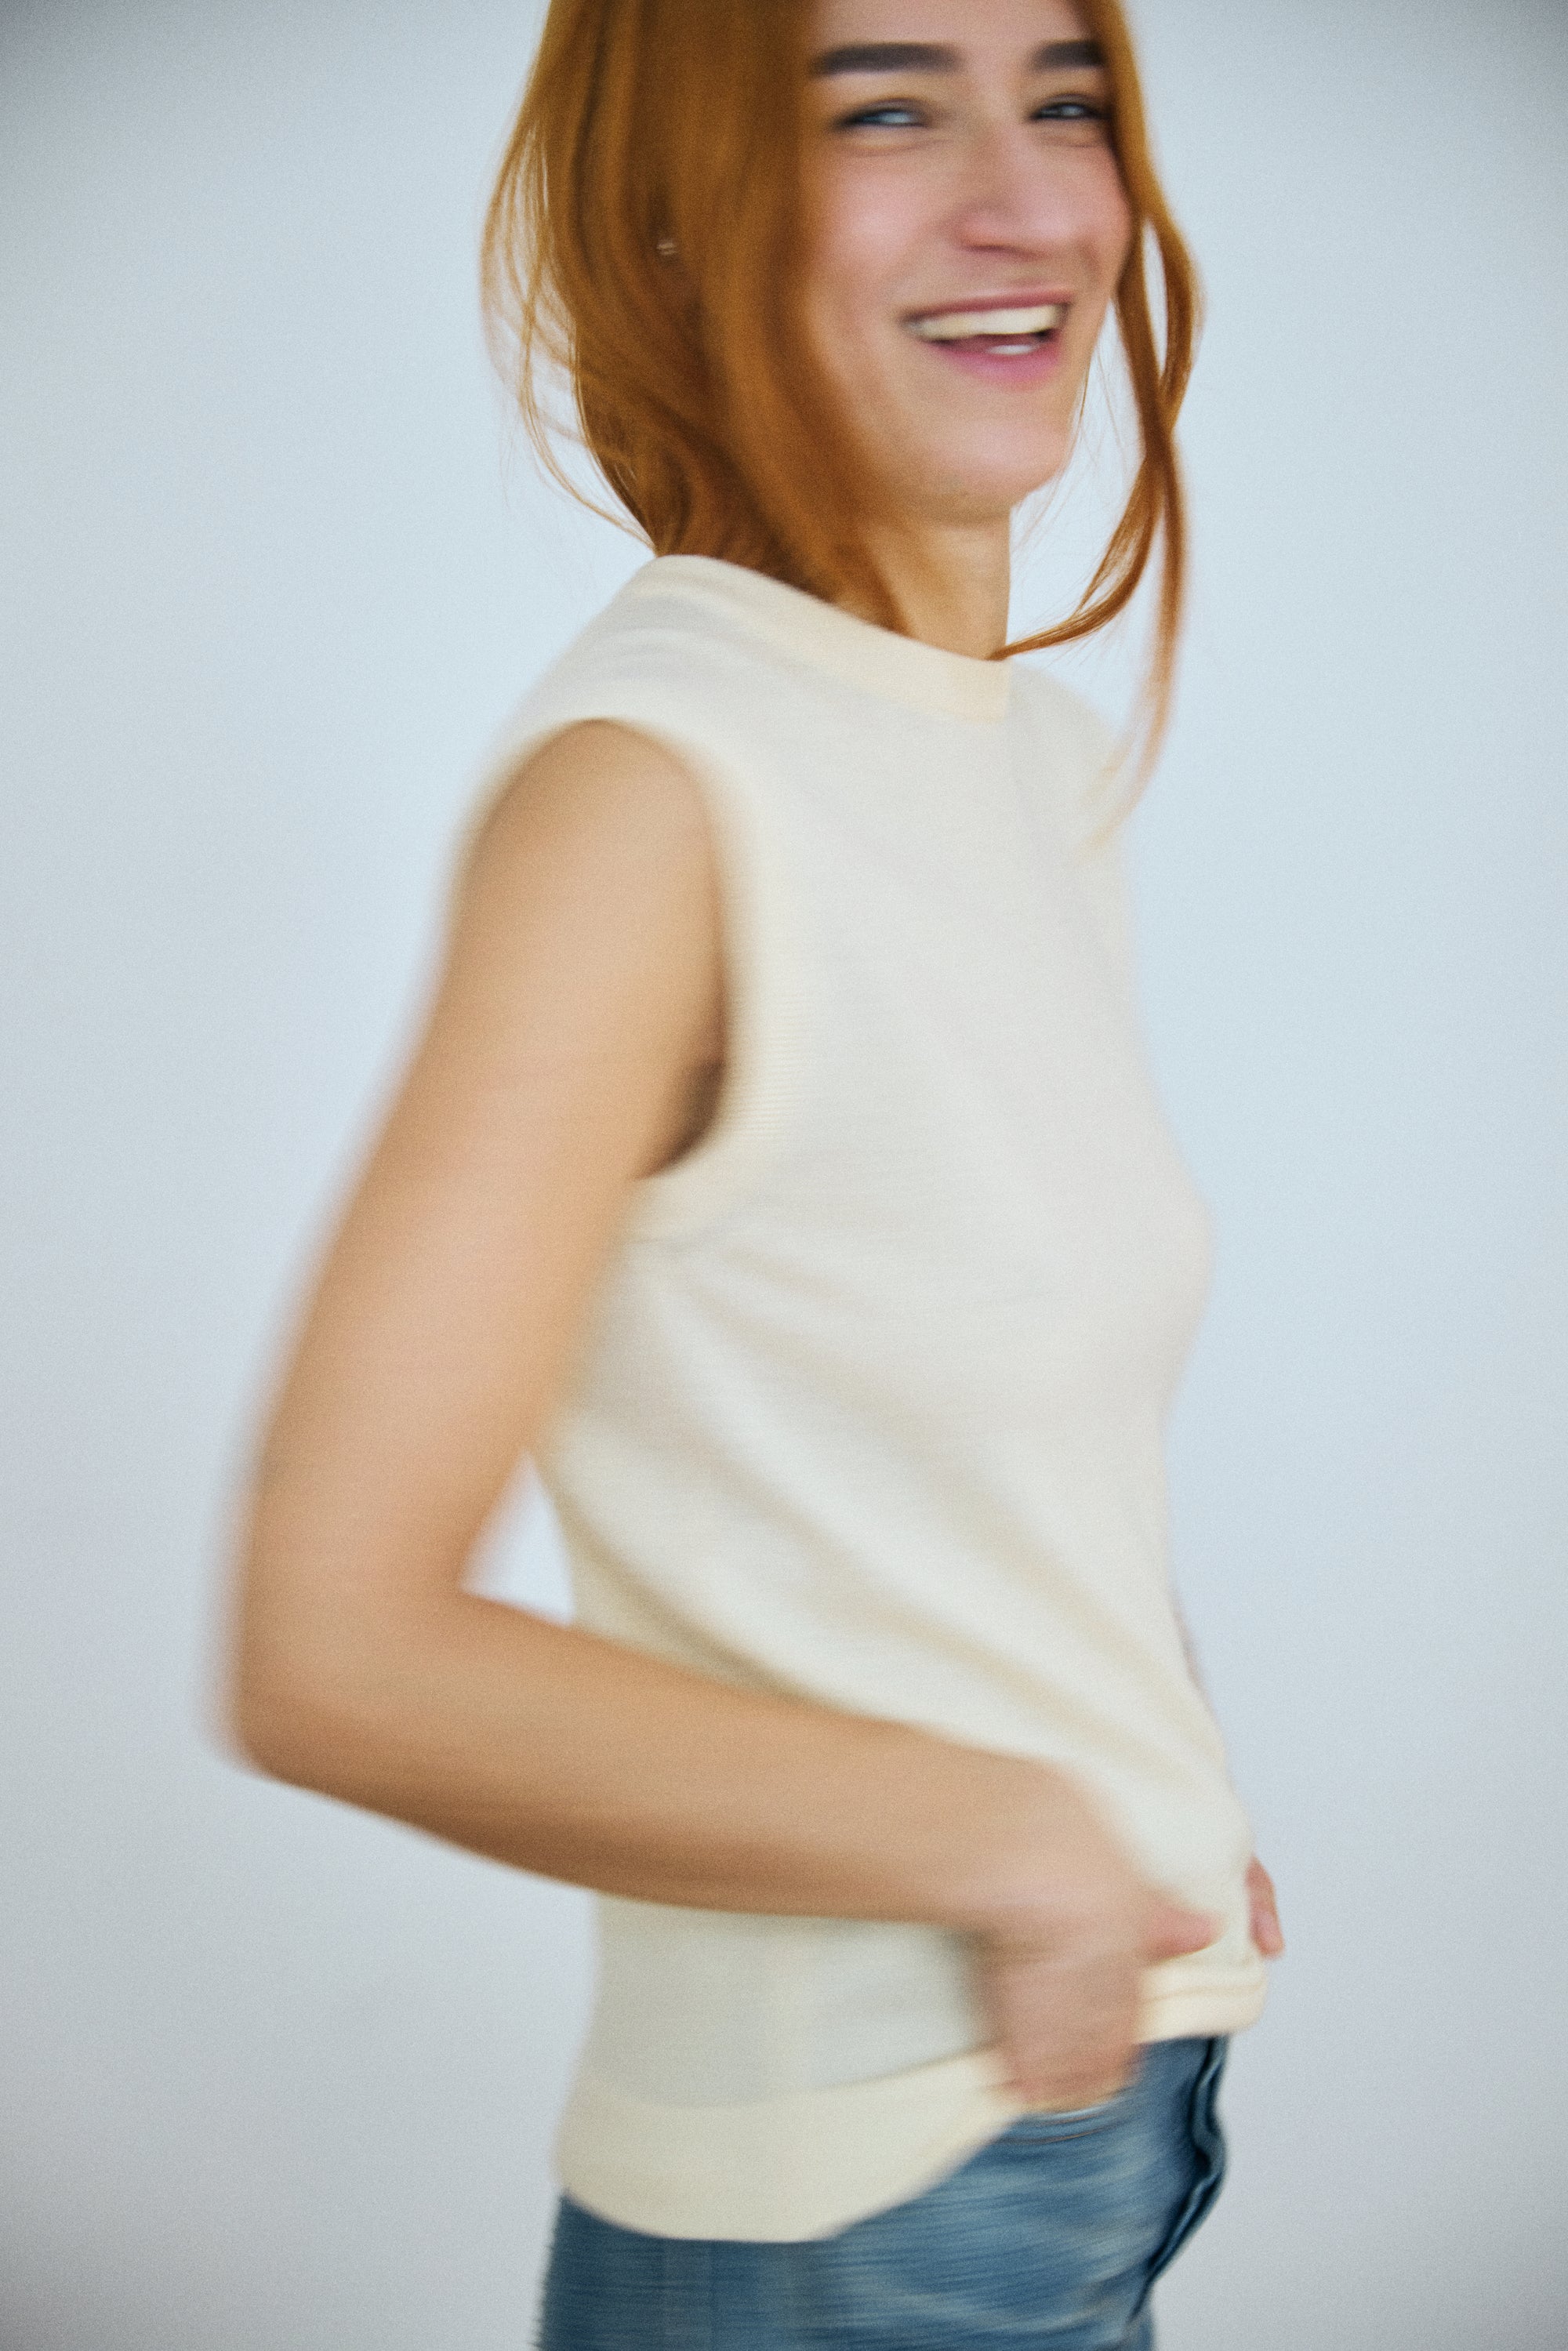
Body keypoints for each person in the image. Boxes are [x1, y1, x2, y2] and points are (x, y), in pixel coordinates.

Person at [226, 0, 1285, 2341]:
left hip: (1086, 2127)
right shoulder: (654, 795)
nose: (1026, 199)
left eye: (1068, 97)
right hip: (863, 2205)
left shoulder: (1024, 757)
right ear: (682, 220)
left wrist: (1153, 1788)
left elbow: (937, 1418)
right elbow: (331, 1645)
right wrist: (1021, 1844)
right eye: (886, 109)